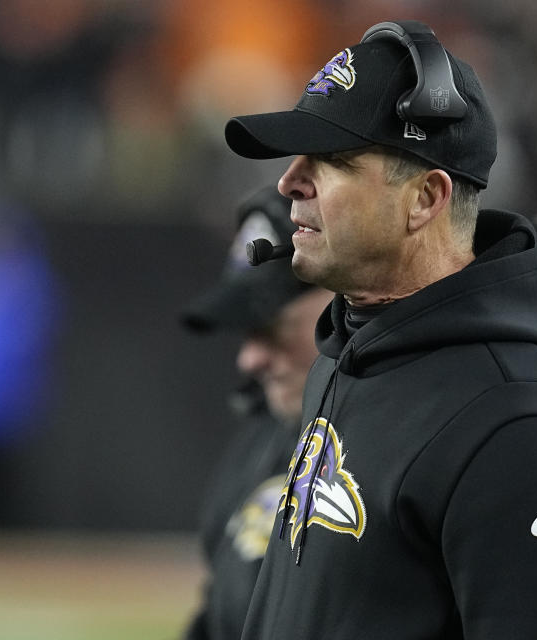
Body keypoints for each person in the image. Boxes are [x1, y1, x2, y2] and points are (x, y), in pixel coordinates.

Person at [221, 19, 537, 639]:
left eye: (330, 161)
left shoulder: (524, 430)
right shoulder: (344, 357)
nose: (288, 182)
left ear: (425, 198)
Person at [180, 186, 333, 640]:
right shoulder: (260, 438)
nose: (249, 360)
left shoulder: (410, 444)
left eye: (271, 328)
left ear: (343, 298)